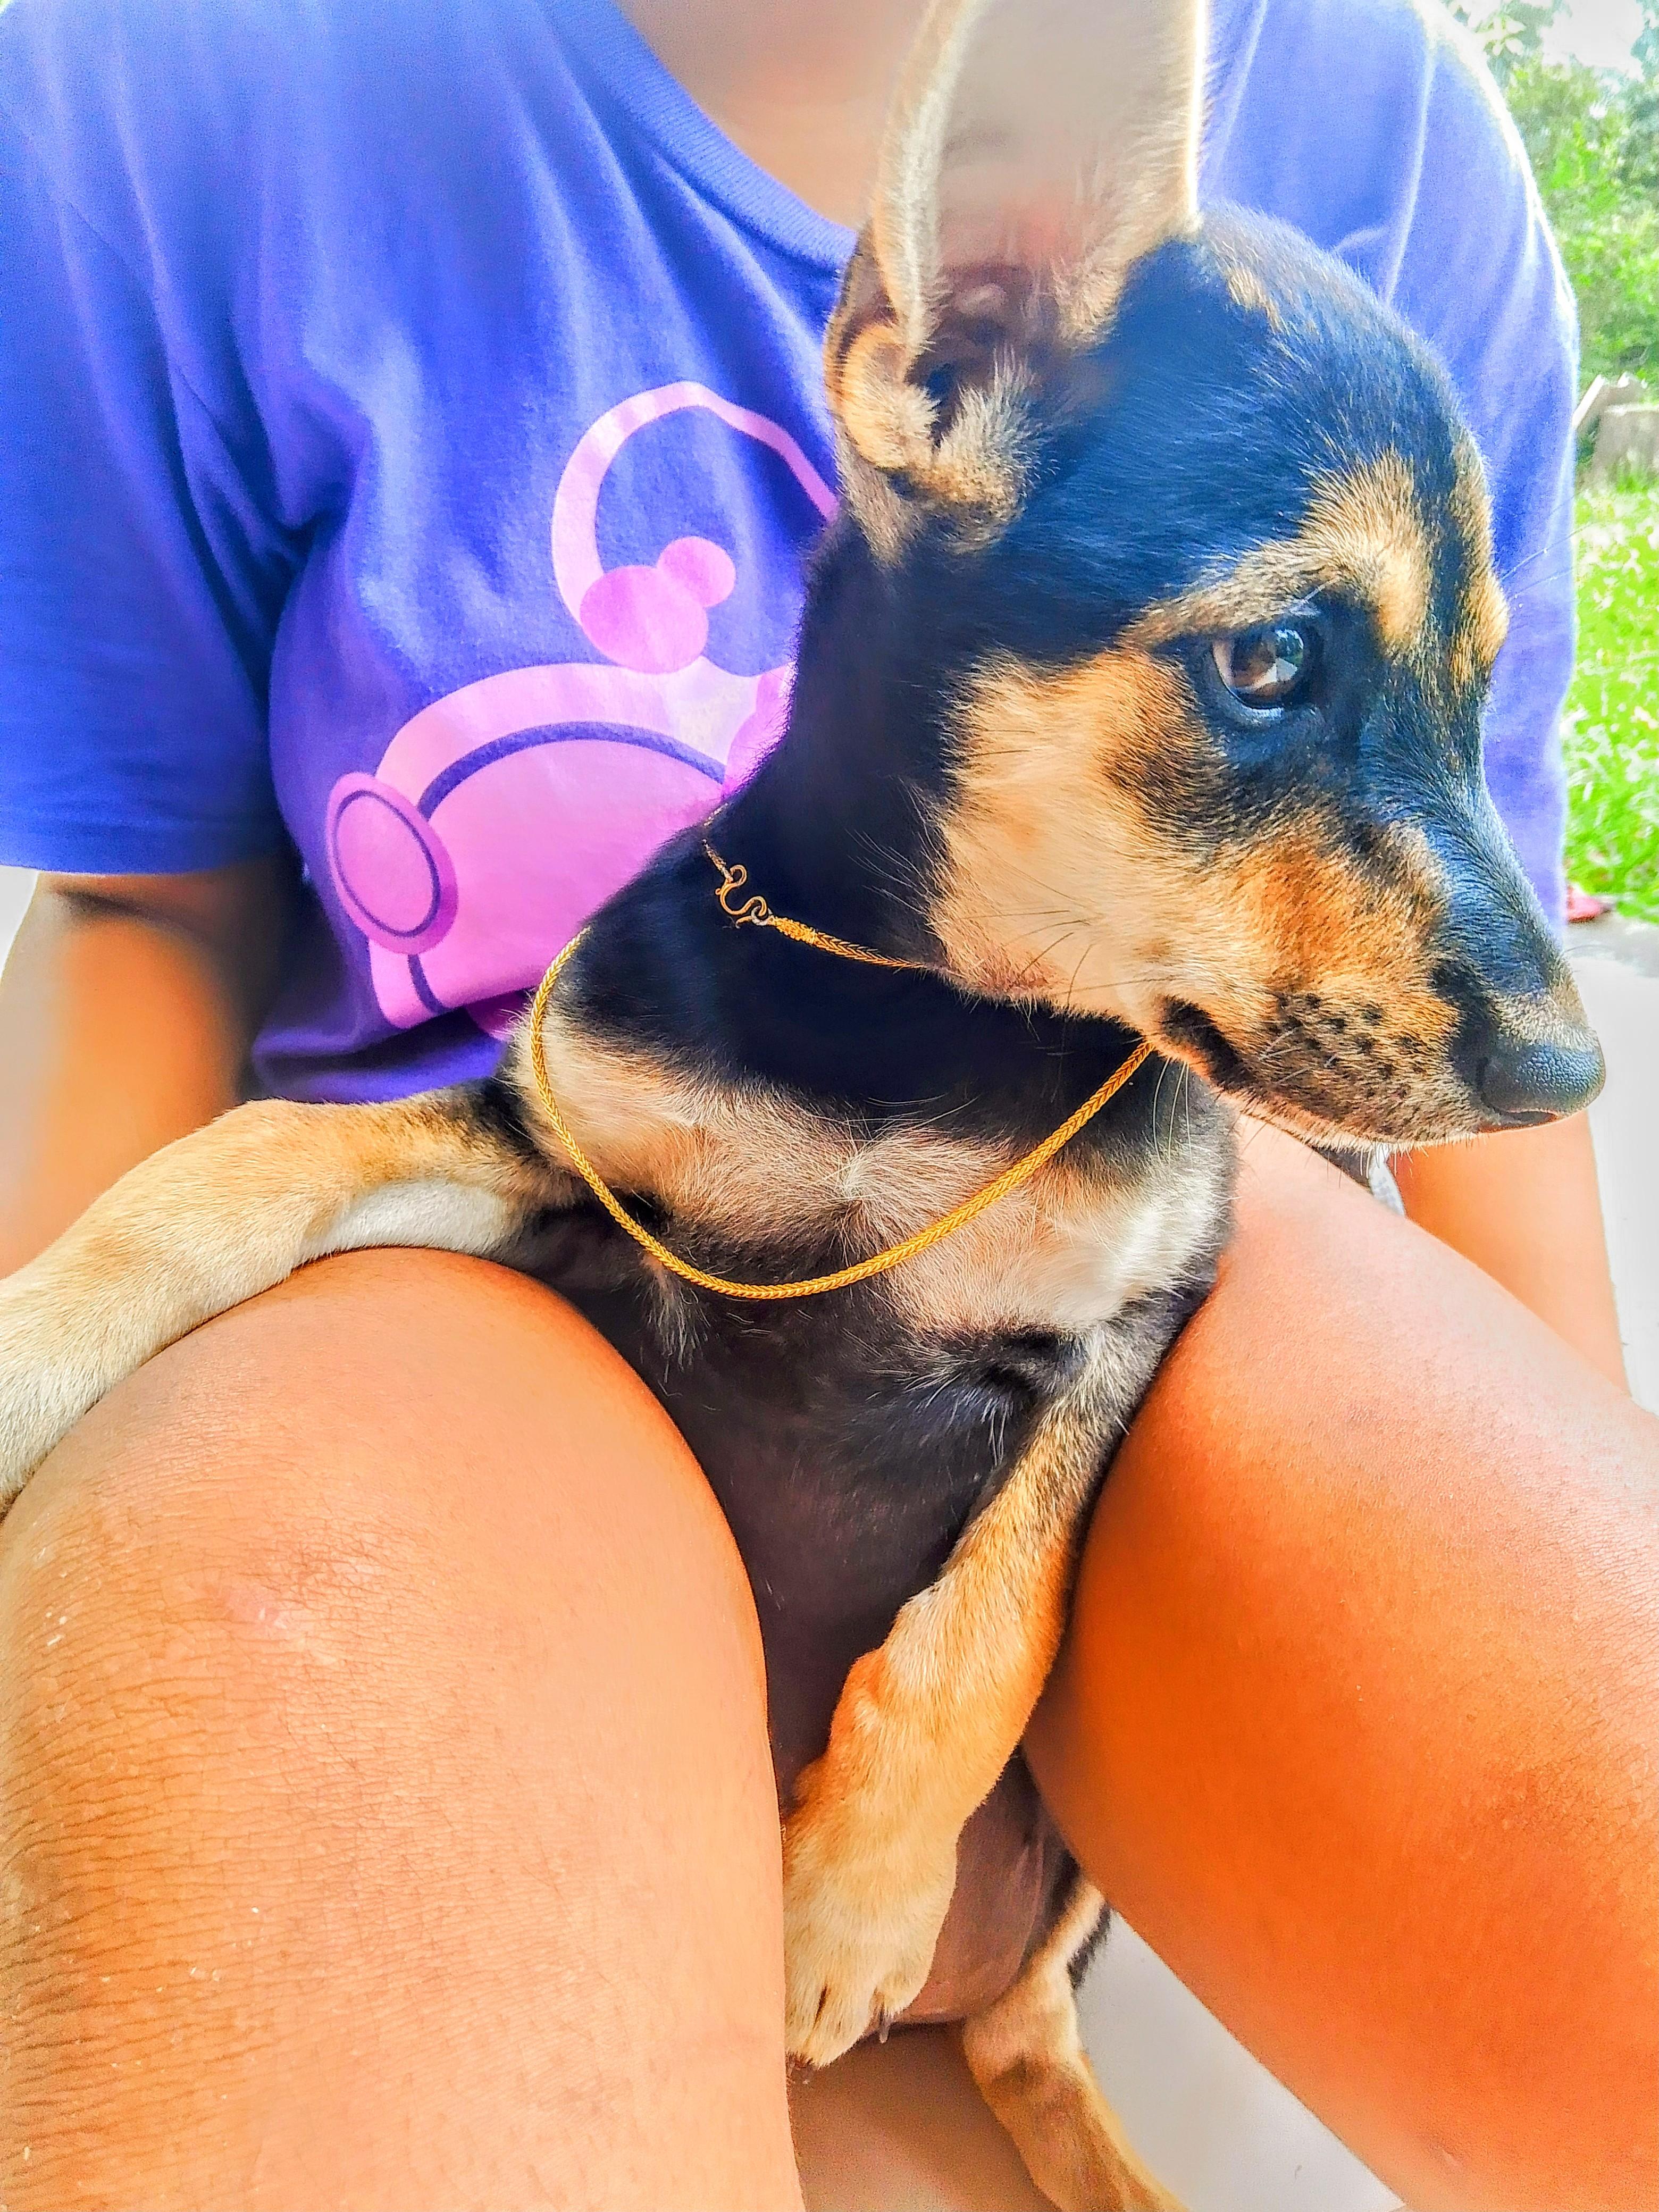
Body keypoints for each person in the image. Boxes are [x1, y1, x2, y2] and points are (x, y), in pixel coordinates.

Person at [0, 0, 1654, 2206]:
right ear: (940, 354)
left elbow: (1484, 997)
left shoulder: (1387, 118)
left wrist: (1560, 1525)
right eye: (1269, 663)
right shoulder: (182, 75)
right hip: (511, 1243)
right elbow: (146, 904)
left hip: (1148, 1154)